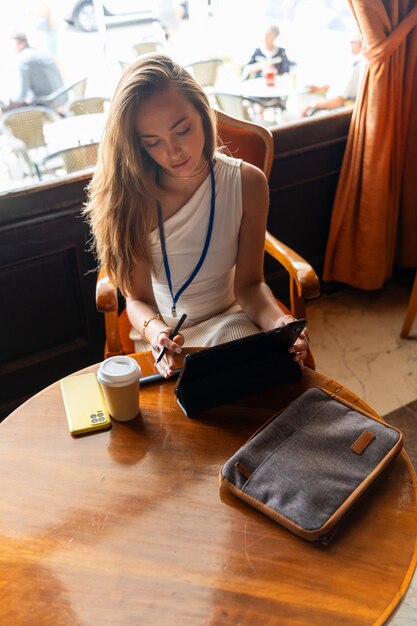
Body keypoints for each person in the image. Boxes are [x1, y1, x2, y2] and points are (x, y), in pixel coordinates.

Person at [83, 54, 308, 379]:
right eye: (153, 143)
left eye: (182, 130)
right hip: (163, 334)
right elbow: (138, 300)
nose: (172, 153)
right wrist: (156, 334)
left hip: (229, 319)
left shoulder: (247, 183)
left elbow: (249, 286)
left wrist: (279, 323)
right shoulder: (133, 197)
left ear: (203, 114)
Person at [302, 32, 365, 117]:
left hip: (334, 109)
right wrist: (319, 89)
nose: (350, 44)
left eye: (352, 42)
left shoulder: (358, 66)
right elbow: (338, 87)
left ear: (361, 44)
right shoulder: (350, 63)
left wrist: (312, 105)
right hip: (328, 100)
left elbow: (338, 100)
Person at [9, 31, 66, 110]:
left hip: (47, 104)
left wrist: (11, 102)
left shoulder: (24, 59)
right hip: (62, 98)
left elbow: (23, 91)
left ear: (20, 44)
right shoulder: (42, 52)